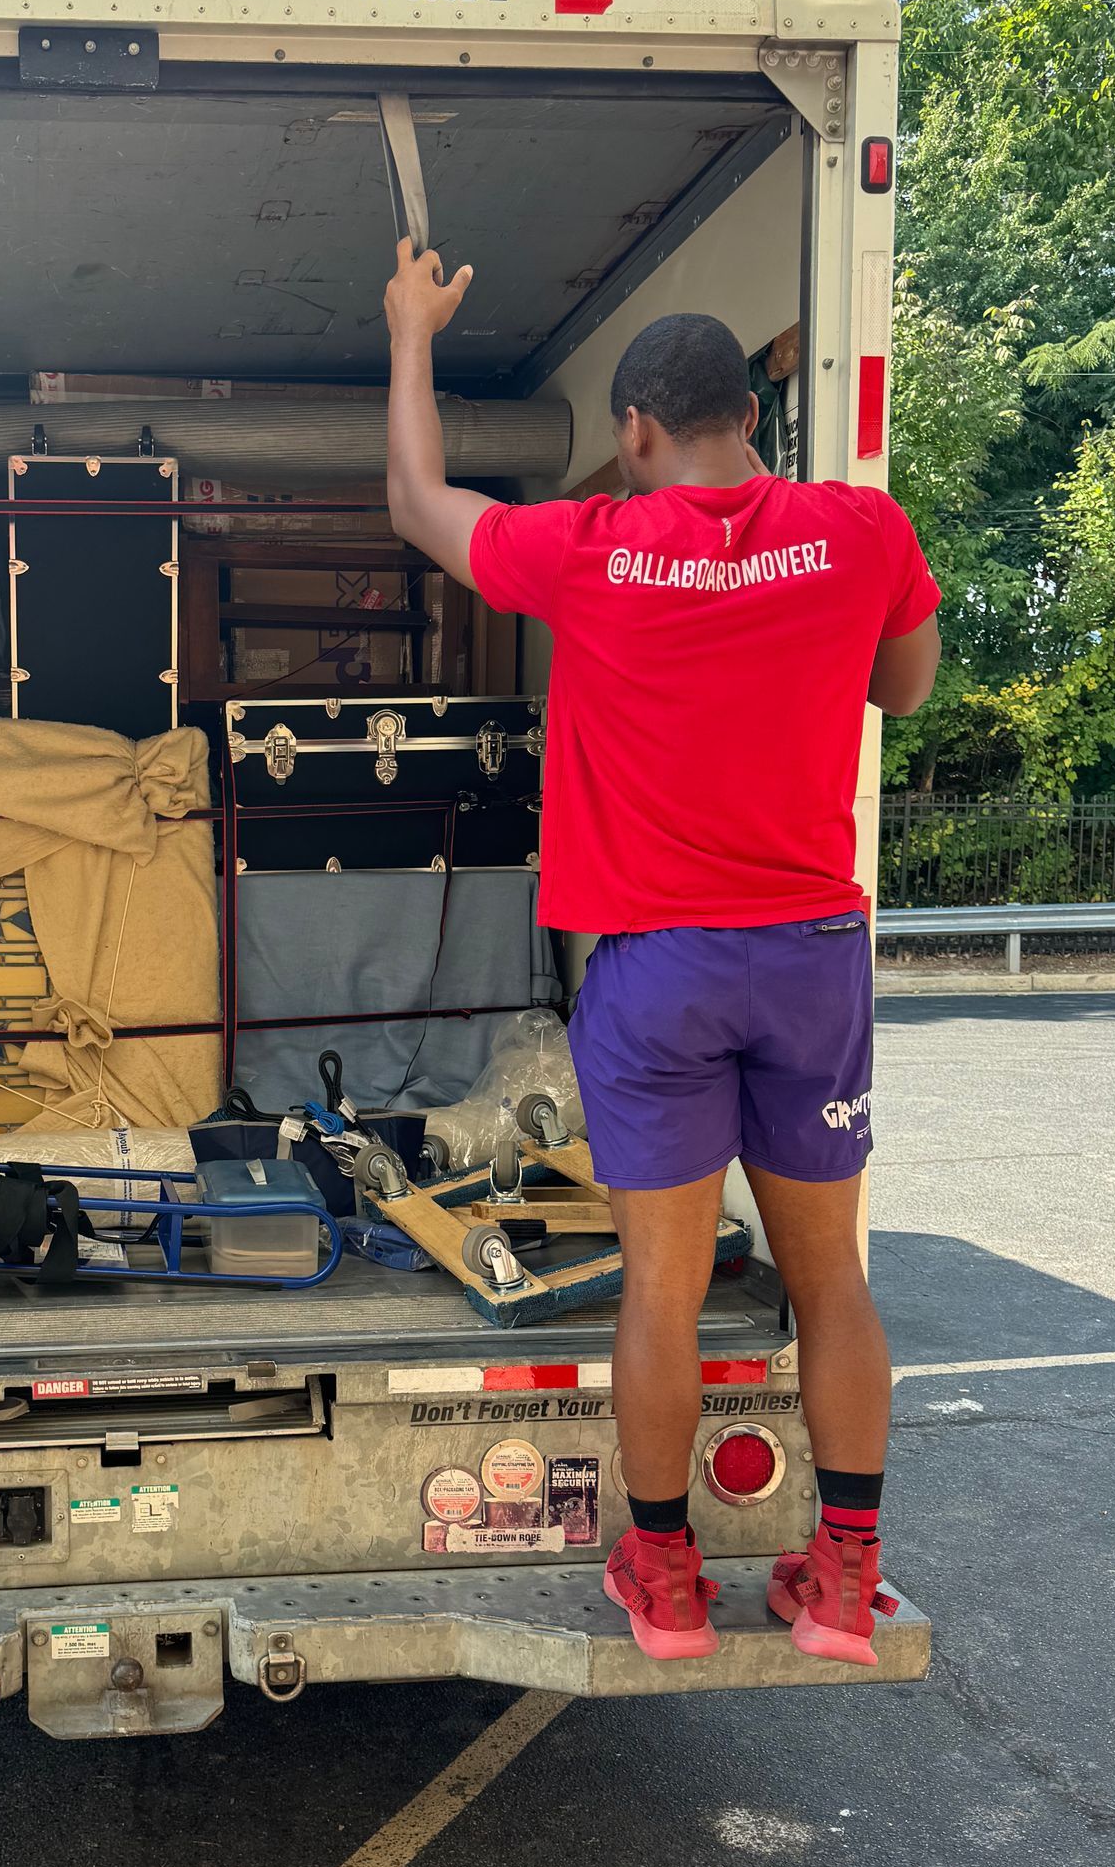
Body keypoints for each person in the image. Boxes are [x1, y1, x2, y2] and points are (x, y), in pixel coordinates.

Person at [382, 240, 941, 1668]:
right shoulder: (861, 531)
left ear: (632, 430)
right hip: (810, 957)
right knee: (832, 1282)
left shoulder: (591, 548)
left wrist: (413, 330)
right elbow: (905, 683)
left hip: (660, 969)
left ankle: (669, 1580)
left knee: (663, 1291)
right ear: (749, 414)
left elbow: (418, 502)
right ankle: (844, 1579)